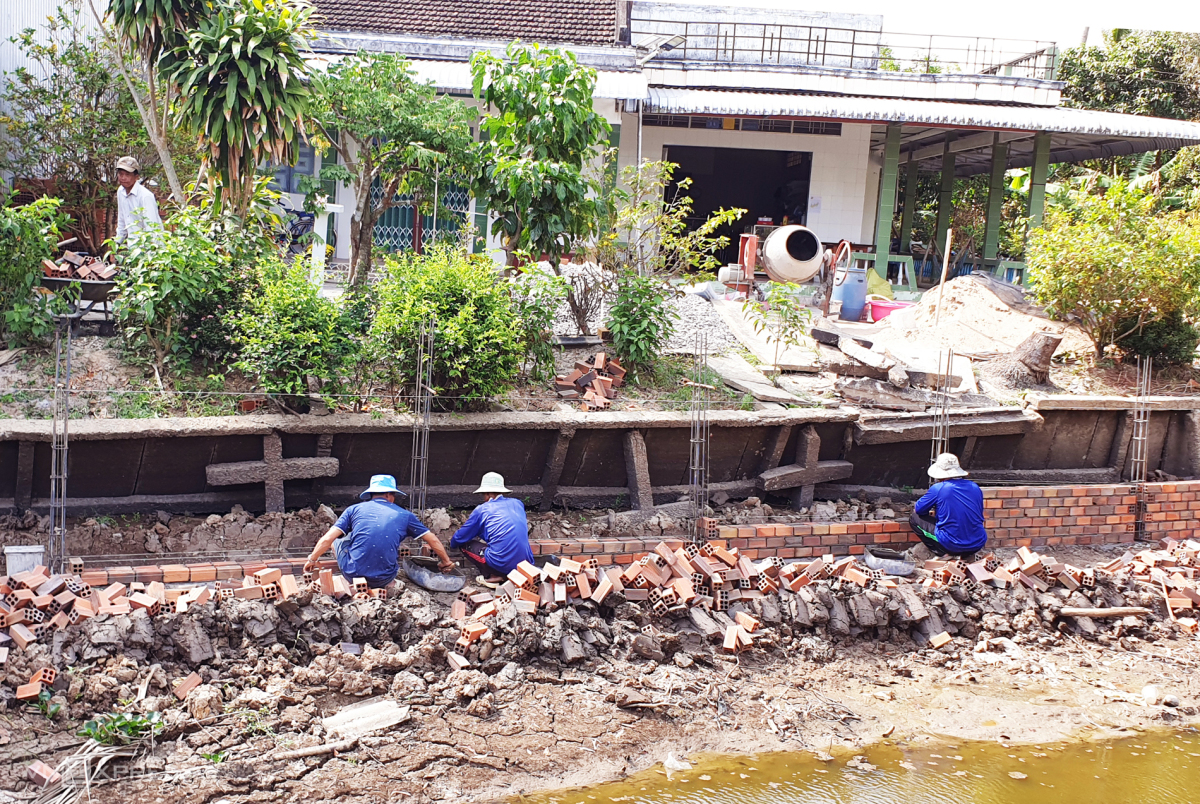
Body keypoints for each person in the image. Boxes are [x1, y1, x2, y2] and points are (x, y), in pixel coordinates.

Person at [303, 474, 455, 588]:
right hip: (385, 578)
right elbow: (433, 540)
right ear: (389, 495)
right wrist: (446, 562)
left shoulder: (353, 510)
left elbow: (327, 539)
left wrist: (312, 560)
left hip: (352, 575)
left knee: (338, 539)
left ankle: (354, 571)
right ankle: (388, 585)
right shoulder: (404, 515)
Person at [449, 472, 534, 587]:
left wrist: (452, 545)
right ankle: (511, 575)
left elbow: (461, 536)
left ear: (488, 494)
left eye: (484, 495)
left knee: (465, 545)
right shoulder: (517, 503)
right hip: (525, 565)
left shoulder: (483, 509)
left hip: (501, 564)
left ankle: (494, 575)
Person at [909, 453, 988, 561]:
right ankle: (965, 555)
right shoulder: (974, 486)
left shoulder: (939, 488)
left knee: (914, 518)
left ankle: (943, 553)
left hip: (953, 544)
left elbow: (919, 510)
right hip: (977, 543)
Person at [114, 156, 162, 243]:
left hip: (151, 249)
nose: (123, 178)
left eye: (127, 175)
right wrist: (116, 243)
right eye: (121, 174)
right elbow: (121, 221)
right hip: (133, 248)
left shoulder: (145, 196)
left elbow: (152, 227)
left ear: (136, 177)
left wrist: (151, 252)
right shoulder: (121, 191)